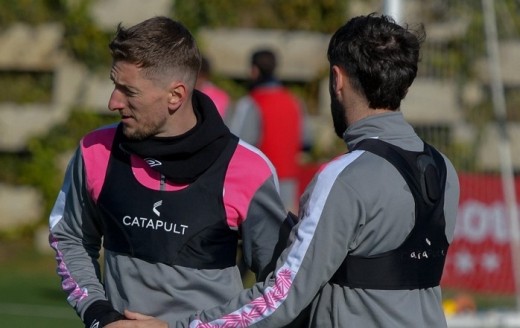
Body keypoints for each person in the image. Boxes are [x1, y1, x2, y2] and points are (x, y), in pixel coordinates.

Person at [164, 13, 458, 327]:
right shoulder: (444, 168)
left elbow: (281, 299)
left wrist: (187, 325)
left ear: (337, 79)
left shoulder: (345, 177)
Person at [48, 16, 294, 328]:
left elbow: (281, 287)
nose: (113, 102)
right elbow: (68, 236)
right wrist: (99, 314)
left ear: (175, 96)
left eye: (129, 91)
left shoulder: (246, 168)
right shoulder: (95, 151)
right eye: (114, 85)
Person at [229, 49, 306, 212]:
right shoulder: (294, 102)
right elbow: (306, 140)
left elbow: (236, 145)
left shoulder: (250, 103)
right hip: (289, 185)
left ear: (254, 70)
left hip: (259, 183)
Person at [195, 55, 231, 120]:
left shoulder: (221, 96)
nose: (197, 80)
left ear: (206, 76)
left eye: (199, 76)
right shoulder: (186, 93)